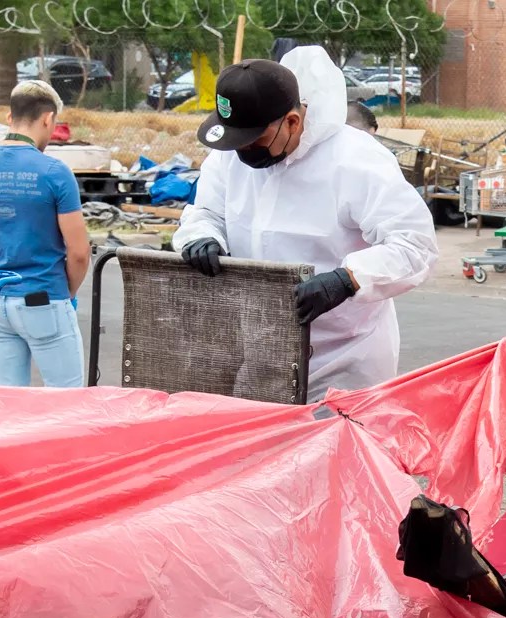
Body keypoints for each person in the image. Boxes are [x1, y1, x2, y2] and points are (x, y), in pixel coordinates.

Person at [173, 47, 437, 401]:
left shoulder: (355, 161)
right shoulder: (230, 158)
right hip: (261, 350)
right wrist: (202, 236)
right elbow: (206, 212)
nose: (243, 151)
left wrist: (348, 280)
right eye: (236, 141)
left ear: (293, 122)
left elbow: (415, 245)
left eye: (254, 140)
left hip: (343, 358)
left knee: (335, 436)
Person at [0, 80, 90, 388]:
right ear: (48, 118)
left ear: (10, 117)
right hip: (44, 298)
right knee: (67, 403)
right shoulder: (55, 172)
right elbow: (79, 253)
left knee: (10, 404)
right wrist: (66, 293)